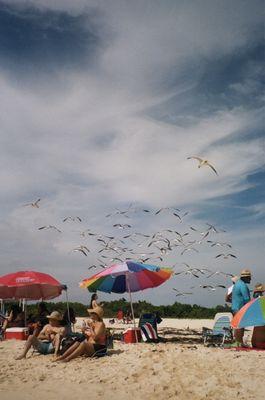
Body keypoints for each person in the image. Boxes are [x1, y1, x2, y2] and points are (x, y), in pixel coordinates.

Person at [231, 269, 251, 346]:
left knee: (237, 326)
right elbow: (246, 299)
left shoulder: (237, 284)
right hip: (240, 308)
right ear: (245, 278)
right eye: (249, 277)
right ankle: (239, 343)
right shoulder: (243, 285)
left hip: (235, 308)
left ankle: (238, 342)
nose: (250, 279)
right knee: (240, 326)